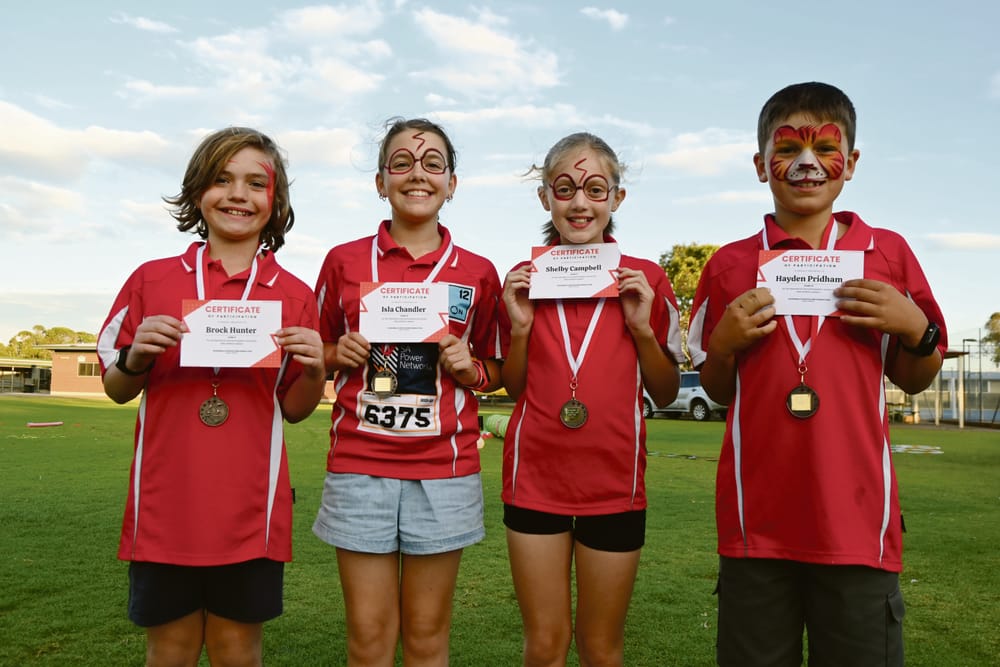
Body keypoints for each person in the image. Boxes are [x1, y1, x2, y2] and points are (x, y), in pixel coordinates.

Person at [687, 82, 947, 666]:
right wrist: (723, 345)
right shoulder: (729, 264)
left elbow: (916, 378)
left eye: (825, 147)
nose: (807, 163)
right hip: (757, 525)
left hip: (857, 525)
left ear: (850, 163)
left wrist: (916, 328)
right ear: (761, 165)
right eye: (788, 149)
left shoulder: (888, 253)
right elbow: (719, 389)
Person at [97, 127, 327, 667]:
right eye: (222, 179)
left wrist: (317, 367)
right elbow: (116, 388)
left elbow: (295, 409)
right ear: (198, 190)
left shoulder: (295, 295)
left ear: (275, 201)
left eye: (256, 183)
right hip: (165, 509)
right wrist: (136, 356)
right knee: (170, 651)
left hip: (250, 512)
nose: (237, 195)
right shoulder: (151, 280)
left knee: (237, 652)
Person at [312, 117, 503, 666]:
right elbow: (315, 348)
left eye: (432, 164)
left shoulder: (478, 272)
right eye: (402, 163)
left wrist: (471, 369)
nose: (417, 174)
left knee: (426, 637)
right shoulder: (343, 261)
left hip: (444, 470)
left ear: (452, 183)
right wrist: (337, 352)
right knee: (368, 639)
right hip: (360, 465)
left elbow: (500, 369)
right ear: (381, 181)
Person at [499, 132, 684, 666]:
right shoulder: (524, 280)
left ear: (616, 198)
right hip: (534, 481)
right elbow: (514, 387)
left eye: (595, 190)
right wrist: (519, 328)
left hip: (614, 482)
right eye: (565, 189)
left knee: (601, 648)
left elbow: (666, 391)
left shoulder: (647, 279)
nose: (580, 203)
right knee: (545, 645)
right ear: (545, 198)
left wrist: (642, 328)